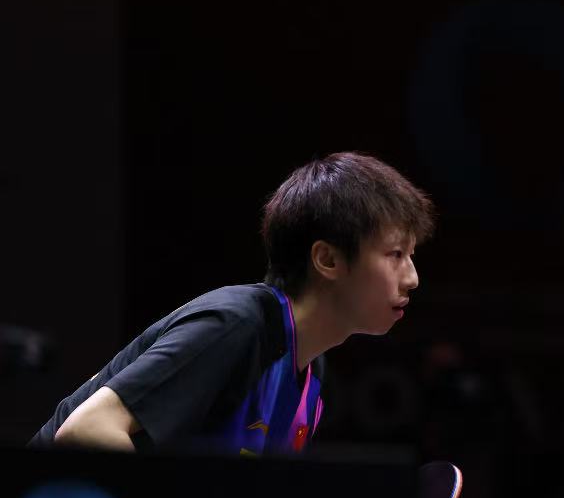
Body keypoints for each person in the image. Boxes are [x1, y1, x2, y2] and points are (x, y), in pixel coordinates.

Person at [31, 151, 434, 455]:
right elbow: (86, 430)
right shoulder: (237, 326)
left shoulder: (310, 371)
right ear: (327, 259)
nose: (412, 278)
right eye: (395, 254)